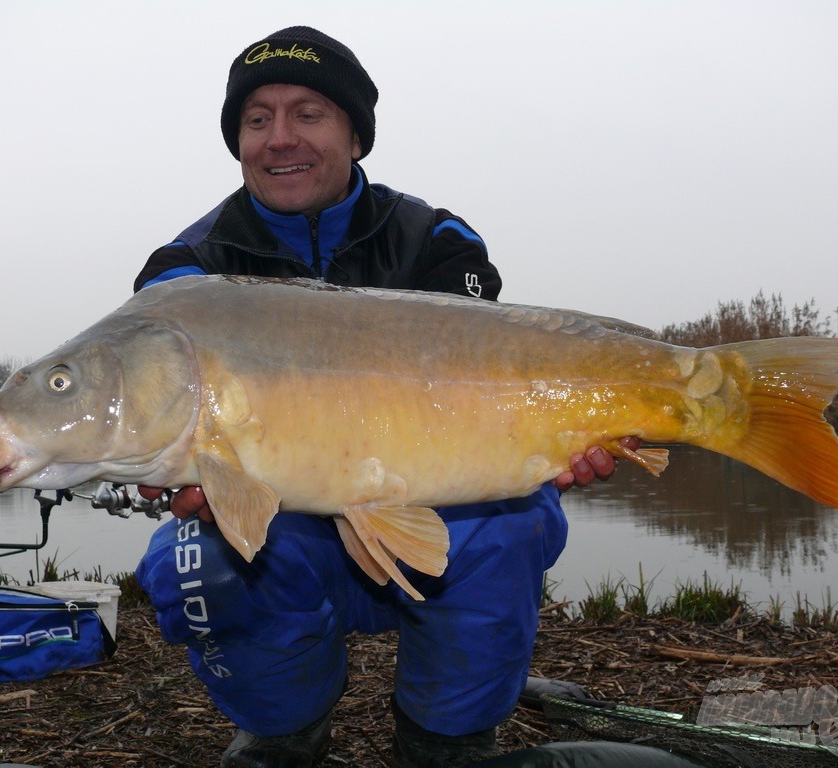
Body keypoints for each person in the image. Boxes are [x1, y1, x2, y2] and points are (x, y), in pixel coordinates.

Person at [133, 26, 637, 768]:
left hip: (437, 516)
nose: (280, 138)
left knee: (515, 520)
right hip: (290, 536)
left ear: (356, 135)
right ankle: (286, 731)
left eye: (308, 113)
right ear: (238, 140)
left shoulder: (436, 240)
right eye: (257, 118)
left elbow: (497, 380)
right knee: (194, 560)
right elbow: (153, 395)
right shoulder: (186, 270)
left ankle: (445, 736)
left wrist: (576, 434)